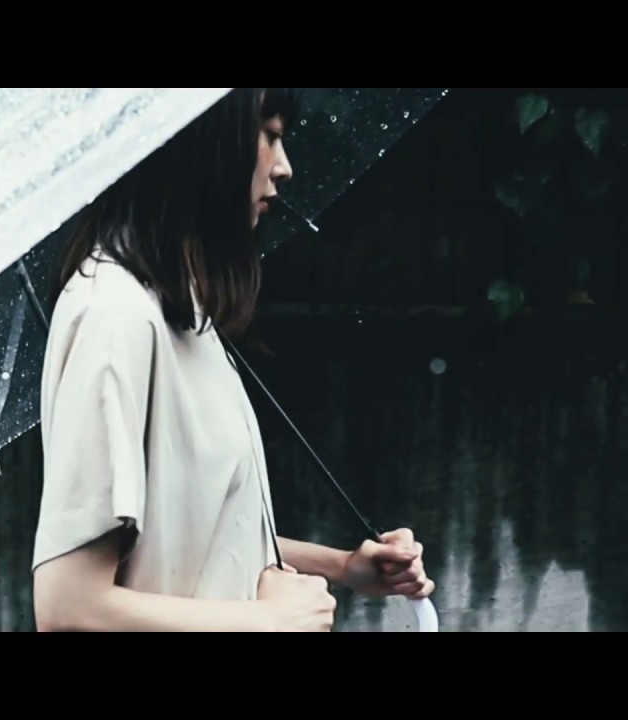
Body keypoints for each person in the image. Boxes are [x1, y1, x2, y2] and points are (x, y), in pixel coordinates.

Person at [30, 88, 435, 632]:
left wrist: (343, 566)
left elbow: (199, 535)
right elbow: (68, 605)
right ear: (203, 139)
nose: (284, 167)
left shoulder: (178, 309)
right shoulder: (115, 314)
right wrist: (269, 621)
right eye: (269, 135)